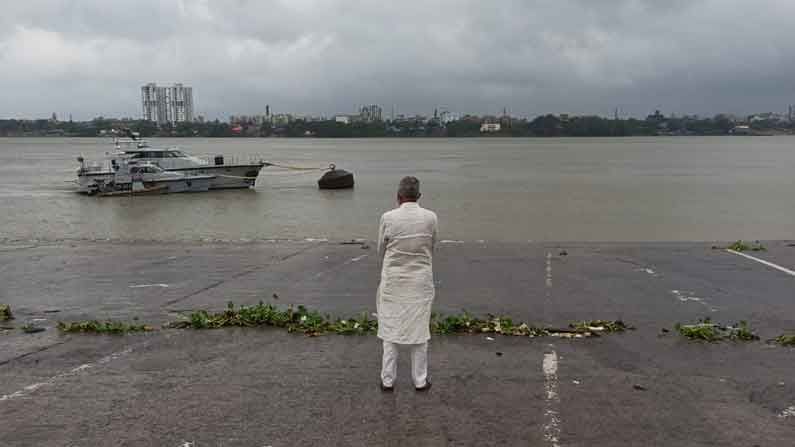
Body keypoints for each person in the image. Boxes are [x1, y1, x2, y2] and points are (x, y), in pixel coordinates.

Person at [377, 176, 438, 392]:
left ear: (398, 197)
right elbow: (432, 245)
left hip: (393, 281)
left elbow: (380, 249)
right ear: (419, 196)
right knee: (419, 331)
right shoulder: (431, 217)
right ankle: (420, 380)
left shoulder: (387, 217)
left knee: (390, 329)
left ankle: (387, 380)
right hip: (420, 281)